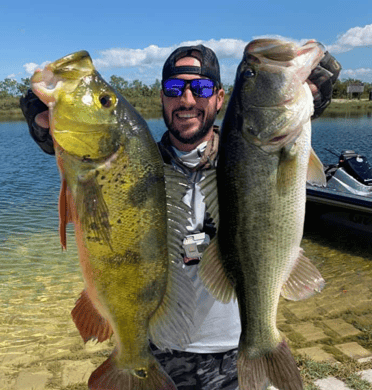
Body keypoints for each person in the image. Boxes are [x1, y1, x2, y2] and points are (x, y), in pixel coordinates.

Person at [20, 43, 341, 390]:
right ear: (162, 97)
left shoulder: (244, 157)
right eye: (175, 88)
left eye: (201, 88)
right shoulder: (135, 164)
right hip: (160, 350)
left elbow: (272, 146)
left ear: (219, 98)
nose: (187, 100)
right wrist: (50, 127)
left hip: (234, 352)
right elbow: (89, 163)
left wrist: (307, 99)